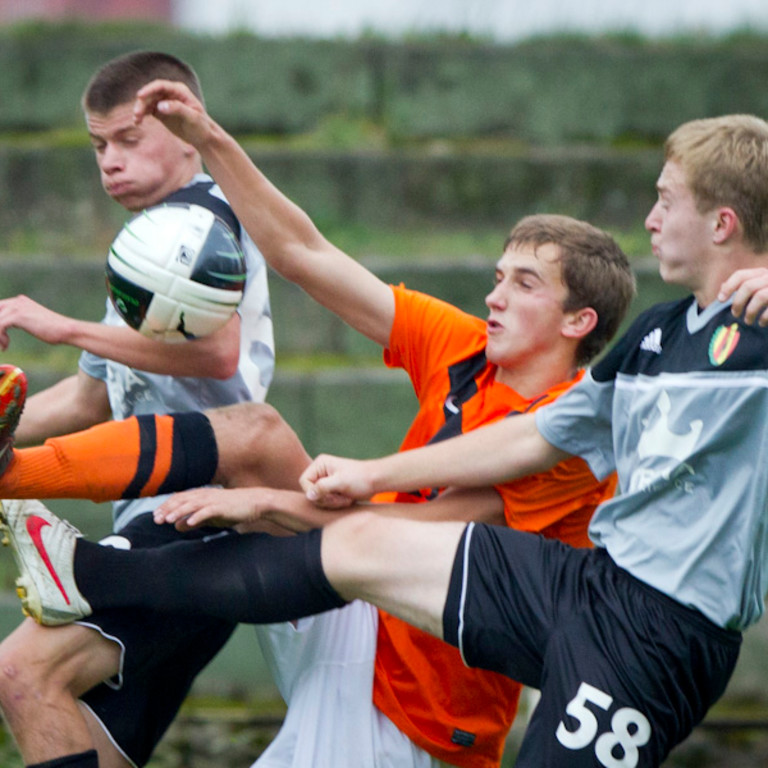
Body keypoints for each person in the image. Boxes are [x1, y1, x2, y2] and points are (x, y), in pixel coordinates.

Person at [5, 111, 768, 768]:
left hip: (419, 702)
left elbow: (430, 525)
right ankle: (31, 502)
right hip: (379, 605)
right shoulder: (490, 346)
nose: (494, 295)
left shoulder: (597, 428)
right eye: (499, 276)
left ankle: (88, 567)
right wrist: (211, 139)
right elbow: (307, 255)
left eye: (524, 285)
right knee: (263, 439)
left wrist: (275, 504)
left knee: (339, 524)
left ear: (578, 324)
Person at [0, 53, 277, 768]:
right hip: (164, 533)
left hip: (195, 524)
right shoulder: (151, 248)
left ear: (187, 131)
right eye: (98, 147)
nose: (109, 163)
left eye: (128, 139)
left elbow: (217, 353)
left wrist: (60, 327)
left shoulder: (202, 220)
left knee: (22, 673)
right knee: (93, 746)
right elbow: (90, 398)